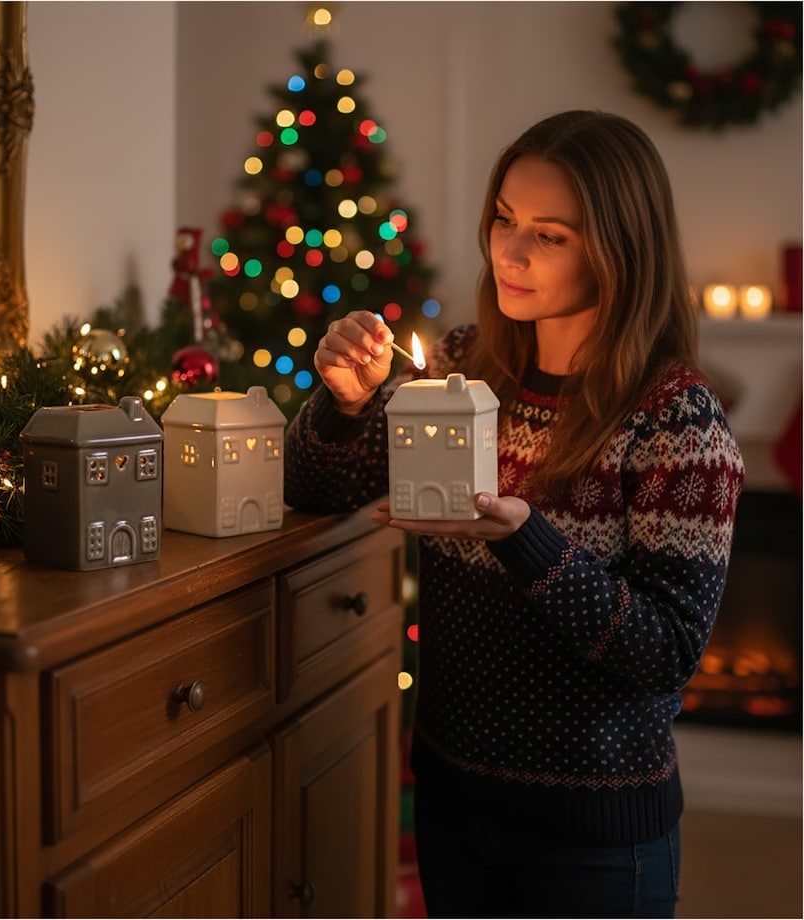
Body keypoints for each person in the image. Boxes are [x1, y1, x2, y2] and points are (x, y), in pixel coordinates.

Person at [283, 110, 744, 918]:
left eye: (551, 234)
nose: (510, 251)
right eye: (503, 219)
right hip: (454, 803)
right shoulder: (465, 369)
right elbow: (316, 488)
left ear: (619, 248)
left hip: (592, 837)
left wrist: (524, 540)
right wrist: (346, 406)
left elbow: (664, 650)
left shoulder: (679, 422)